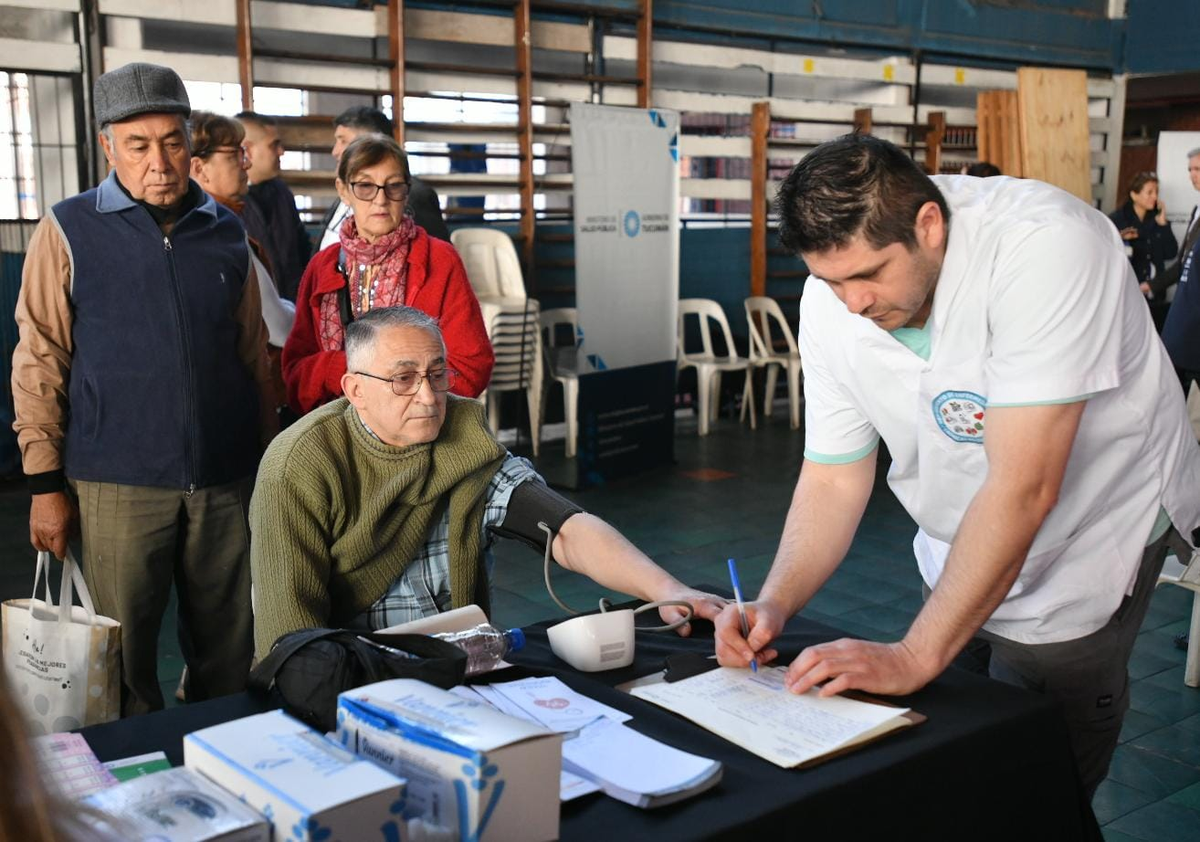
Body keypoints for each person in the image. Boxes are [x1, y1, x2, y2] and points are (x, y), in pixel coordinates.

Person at [713, 134, 1200, 799]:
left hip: (1092, 527)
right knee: (949, 738)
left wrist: (914, 654)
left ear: (929, 226)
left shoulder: (1047, 247)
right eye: (832, 280)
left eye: (869, 275)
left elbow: (1026, 488)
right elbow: (833, 475)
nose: (852, 302)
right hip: (957, 528)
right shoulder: (831, 300)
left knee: (1039, 759)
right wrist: (775, 601)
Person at [12, 62, 277, 716]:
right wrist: (45, 484)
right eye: (137, 145)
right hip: (117, 484)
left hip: (224, 480)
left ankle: (222, 755)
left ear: (192, 141)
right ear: (108, 146)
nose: (159, 162)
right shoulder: (68, 229)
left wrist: (267, 464)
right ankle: (136, 789)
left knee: (229, 647)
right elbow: (39, 358)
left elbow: (253, 357)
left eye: (173, 141)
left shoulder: (225, 232)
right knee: (121, 661)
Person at [252, 306, 724, 655]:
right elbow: (291, 638)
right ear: (355, 390)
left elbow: (565, 529)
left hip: (460, 670)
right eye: (403, 379)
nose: (429, 396)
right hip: (356, 678)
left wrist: (668, 591)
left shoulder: (461, 436)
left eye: (438, 374)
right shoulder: (301, 463)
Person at [282, 134, 492, 413]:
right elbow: (295, 372)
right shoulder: (323, 267)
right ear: (343, 191)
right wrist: (341, 368)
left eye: (393, 186)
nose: (381, 199)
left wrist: (400, 402)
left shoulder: (439, 260)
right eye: (365, 186)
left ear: (407, 191)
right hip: (337, 430)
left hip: (420, 428)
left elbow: (471, 365)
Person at [189, 110, 295, 349]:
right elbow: (277, 327)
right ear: (199, 168)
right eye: (235, 155)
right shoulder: (217, 231)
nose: (246, 164)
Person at [319, 105, 450, 250]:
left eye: (343, 141)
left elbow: (432, 255)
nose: (335, 151)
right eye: (365, 186)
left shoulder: (416, 196)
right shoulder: (349, 187)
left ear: (372, 143)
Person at [236, 110, 312, 301]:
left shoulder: (281, 192)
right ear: (247, 150)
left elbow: (302, 249)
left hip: (295, 311)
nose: (282, 151)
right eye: (274, 145)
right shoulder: (228, 201)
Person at [1108, 171, 1178, 331]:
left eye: (1157, 192)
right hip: (1128, 294)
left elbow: (1171, 253)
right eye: (1150, 192)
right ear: (1134, 195)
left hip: (1155, 295)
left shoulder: (1157, 219)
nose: (1155, 197)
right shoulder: (1117, 220)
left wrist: (1163, 225)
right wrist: (1120, 237)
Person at [1160, 147, 1200, 302]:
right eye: (1190, 170)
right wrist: (1150, 286)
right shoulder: (1196, 210)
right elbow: (1183, 261)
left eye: (1197, 169)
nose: (1192, 175)